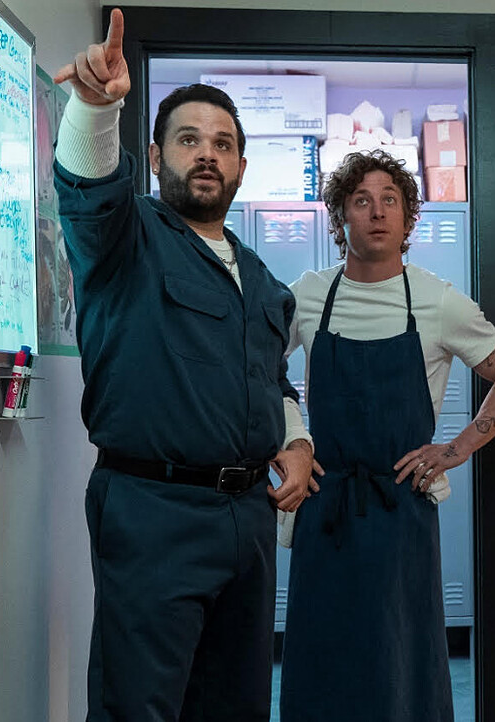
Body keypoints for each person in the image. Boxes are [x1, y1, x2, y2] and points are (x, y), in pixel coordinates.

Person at [52, 9, 317, 720]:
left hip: (247, 521)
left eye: (223, 144)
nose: (207, 154)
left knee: (235, 705)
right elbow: (88, 185)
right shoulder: (126, 238)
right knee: (139, 706)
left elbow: (268, 378)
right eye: (188, 139)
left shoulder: (261, 279)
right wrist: (96, 107)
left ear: (241, 167)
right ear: (156, 153)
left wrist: (296, 439)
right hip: (153, 513)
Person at [278, 149, 495, 721]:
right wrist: (296, 439)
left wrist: (455, 449)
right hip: (326, 503)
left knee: (399, 662)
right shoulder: (308, 296)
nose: (376, 212)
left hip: (401, 510)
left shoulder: (438, 301)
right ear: (339, 217)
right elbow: (258, 370)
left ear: (407, 217)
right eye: (361, 200)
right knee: (323, 661)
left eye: (389, 200)